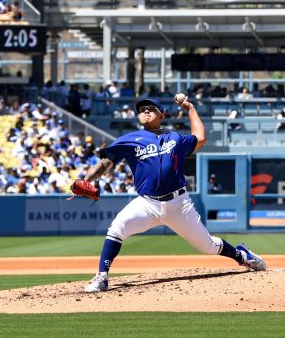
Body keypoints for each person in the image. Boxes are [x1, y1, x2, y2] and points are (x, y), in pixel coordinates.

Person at [76, 95, 266, 293]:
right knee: (116, 229)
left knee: (207, 246)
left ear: (162, 114)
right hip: (147, 203)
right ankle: (102, 277)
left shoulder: (174, 138)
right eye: (142, 110)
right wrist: (87, 180)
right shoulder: (129, 140)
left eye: (151, 108)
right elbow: (105, 163)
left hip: (179, 204)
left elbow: (200, 138)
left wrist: (190, 108)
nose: (145, 111)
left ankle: (242, 255)